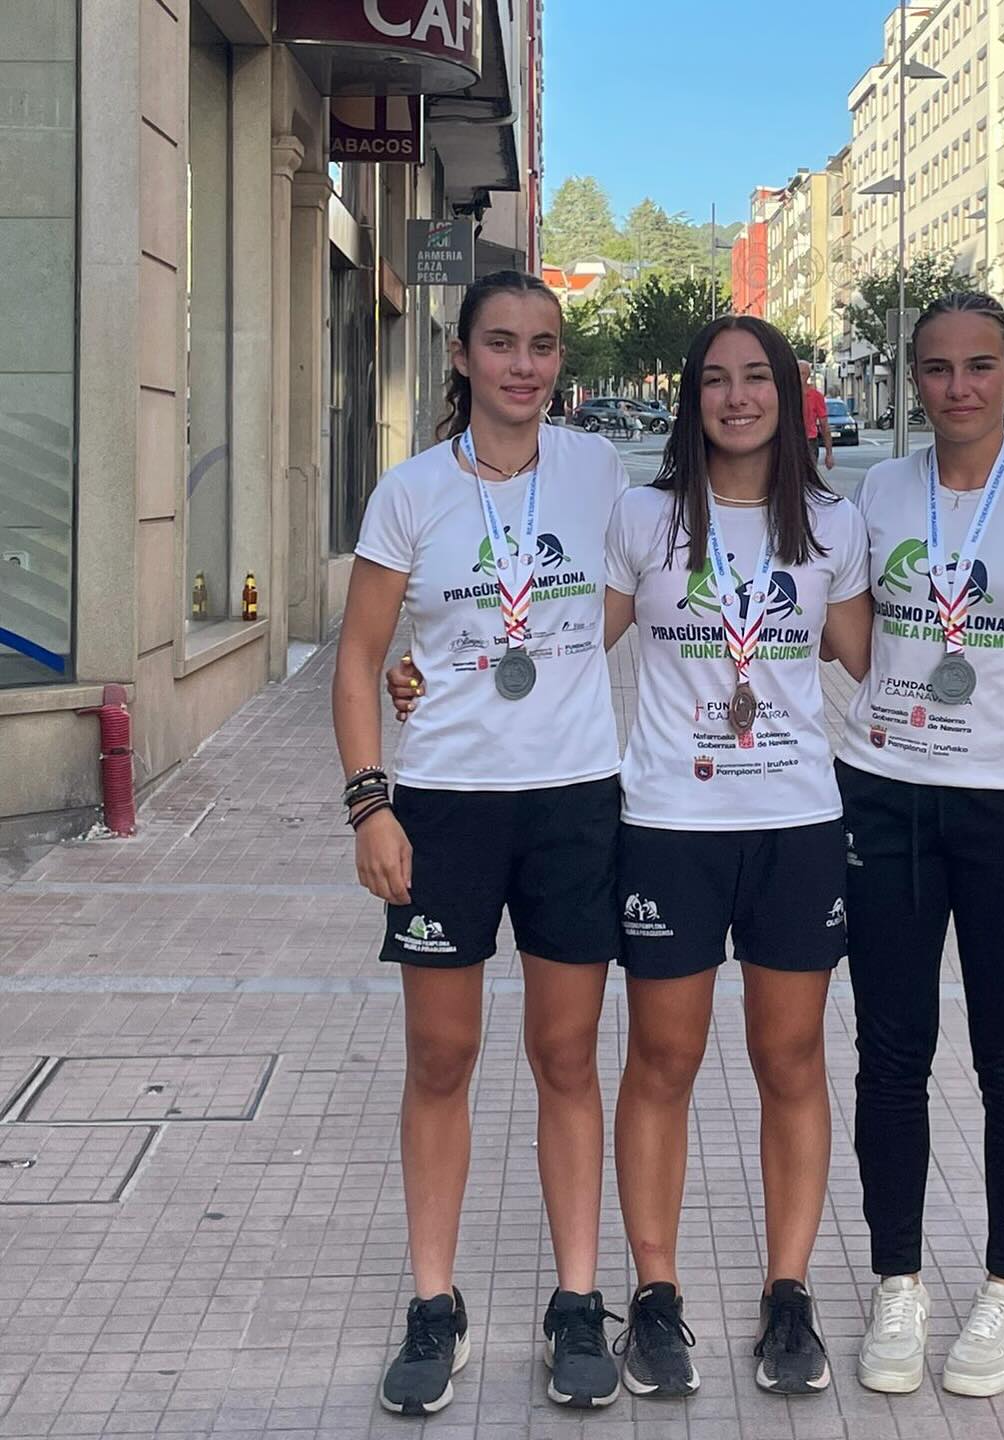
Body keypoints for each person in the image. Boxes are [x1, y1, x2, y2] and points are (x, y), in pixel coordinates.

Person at [331, 270, 631, 1417]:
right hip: (446, 805)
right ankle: (434, 1303)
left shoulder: (598, 471)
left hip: (572, 802)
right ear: (459, 356)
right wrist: (372, 805)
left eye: (543, 346)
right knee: (441, 1060)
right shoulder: (411, 492)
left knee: (565, 1057)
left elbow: (637, 592)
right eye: (500, 344)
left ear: (560, 361)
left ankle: (576, 1301)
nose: (523, 366)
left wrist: (552, 654)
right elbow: (362, 659)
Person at [835, 291, 1004, 1399]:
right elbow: (856, 640)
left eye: (979, 366)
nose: (957, 387)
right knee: (891, 1057)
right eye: (938, 368)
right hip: (887, 795)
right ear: (915, 377)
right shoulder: (880, 490)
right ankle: (897, 1280)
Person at [603, 316, 871, 1399]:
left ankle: (788, 1295)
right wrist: (429, 675)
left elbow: (873, 657)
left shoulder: (832, 526)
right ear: (692, 400)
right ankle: (656, 1298)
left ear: (789, 393)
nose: (735, 397)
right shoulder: (645, 518)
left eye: (756, 377)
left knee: (790, 1061)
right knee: (662, 1061)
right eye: (714, 381)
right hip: (669, 818)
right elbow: (576, 643)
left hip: (798, 820)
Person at [799, 359, 835, 471]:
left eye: (802, 373)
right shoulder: (786, 394)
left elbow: (824, 425)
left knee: (809, 477)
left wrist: (829, 454)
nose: (798, 376)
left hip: (810, 442)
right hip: (791, 440)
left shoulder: (816, 396)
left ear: (808, 375)